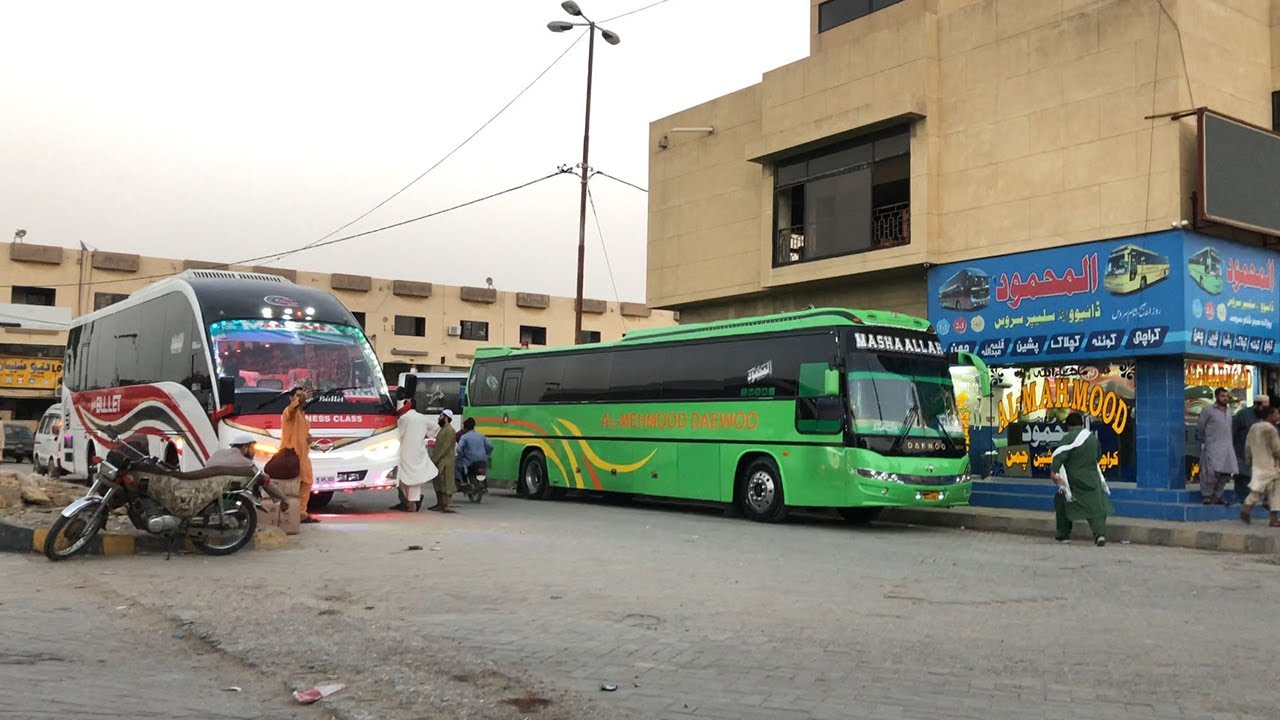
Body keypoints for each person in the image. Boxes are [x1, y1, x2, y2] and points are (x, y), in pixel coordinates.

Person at [1050, 413, 1114, 546]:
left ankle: (1063, 535)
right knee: (1096, 507)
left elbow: (1060, 456)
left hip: (1074, 480)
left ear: (1068, 426)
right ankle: (1100, 534)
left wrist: (1054, 472)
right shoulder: (1092, 438)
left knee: (1062, 500)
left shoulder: (1068, 438)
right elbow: (1098, 456)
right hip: (1092, 480)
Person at [208, 432, 290, 512]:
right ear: (245, 447)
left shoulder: (219, 453)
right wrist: (283, 498)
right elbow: (264, 480)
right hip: (225, 493)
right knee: (259, 480)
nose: (254, 452)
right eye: (252, 448)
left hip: (209, 490)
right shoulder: (245, 462)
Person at [280, 386, 318, 523]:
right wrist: (301, 398)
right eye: (297, 395)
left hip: (303, 456)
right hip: (290, 455)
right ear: (291, 398)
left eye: (302, 395)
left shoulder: (303, 416)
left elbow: (303, 435)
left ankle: (302, 513)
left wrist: (309, 439)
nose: (302, 398)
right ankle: (288, 514)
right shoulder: (289, 412)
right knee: (290, 486)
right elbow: (292, 408)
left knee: (307, 482)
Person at [1196, 387, 1239, 505]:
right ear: (1216, 397)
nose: (1225, 398)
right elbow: (1200, 427)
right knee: (1210, 472)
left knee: (1226, 473)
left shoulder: (1230, 412)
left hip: (1227, 447)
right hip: (1213, 446)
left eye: (1226, 396)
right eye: (1222, 396)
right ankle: (1206, 495)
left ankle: (1217, 496)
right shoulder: (1208, 411)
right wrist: (1205, 440)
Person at [391, 400, 434, 512]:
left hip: (405, 452)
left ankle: (409, 503)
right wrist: (425, 436)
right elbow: (435, 427)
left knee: (402, 478)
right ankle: (413, 501)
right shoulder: (422, 418)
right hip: (418, 452)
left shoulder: (404, 418)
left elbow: (398, 434)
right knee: (415, 478)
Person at [1241, 404, 1280, 527]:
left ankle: (1272, 518)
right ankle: (1248, 507)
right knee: (1268, 490)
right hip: (1270, 464)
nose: (1278, 416)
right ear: (1270, 415)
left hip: (1257, 463)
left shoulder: (1254, 427)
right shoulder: (1271, 429)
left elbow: (1247, 447)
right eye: (1276, 413)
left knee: (1262, 487)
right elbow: (1276, 449)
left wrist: (1249, 461)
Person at [1232, 394, 1269, 503]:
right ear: (1256, 404)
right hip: (1241, 454)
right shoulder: (1243, 415)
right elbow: (1232, 432)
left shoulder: (1265, 416)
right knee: (1243, 479)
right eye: (1263, 407)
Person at [427, 409, 457, 513]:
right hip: (439, 461)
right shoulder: (443, 429)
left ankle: (446, 504)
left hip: (445, 461)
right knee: (438, 482)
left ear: (446, 418)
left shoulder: (450, 430)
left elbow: (445, 447)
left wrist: (436, 458)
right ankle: (440, 504)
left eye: (440, 416)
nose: (438, 418)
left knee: (445, 483)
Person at [455, 417, 493, 484]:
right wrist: (486, 454)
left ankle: (462, 482)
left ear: (465, 428)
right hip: (483, 461)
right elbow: (490, 446)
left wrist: (461, 455)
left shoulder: (464, 437)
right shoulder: (481, 435)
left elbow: (459, 449)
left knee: (457, 463)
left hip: (470, 461)